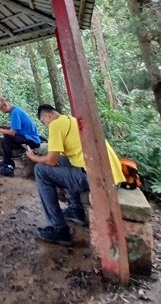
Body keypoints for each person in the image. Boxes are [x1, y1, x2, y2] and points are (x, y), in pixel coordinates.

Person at [26, 104, 126, 246]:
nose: (46, 125)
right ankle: (76, 210)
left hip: (96, 178)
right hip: (111, 175)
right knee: (64, 161)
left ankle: (59, 229)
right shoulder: (71, 120)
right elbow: (58, 159)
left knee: (40, 171)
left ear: (48, 116)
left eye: (44, 122)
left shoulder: (55, 125)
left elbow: (51, 160)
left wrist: (34, 158)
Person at [0, 97, 42, 177]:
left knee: (8, 137)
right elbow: (13, 127)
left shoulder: (15, 113)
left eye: (1, 109)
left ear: (5, 106)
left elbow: (12, 132)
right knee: (5, 140)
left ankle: (9, 168)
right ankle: (7, 161)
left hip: (32, 140)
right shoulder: (15, 111)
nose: (1, 111)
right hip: (26, 137)